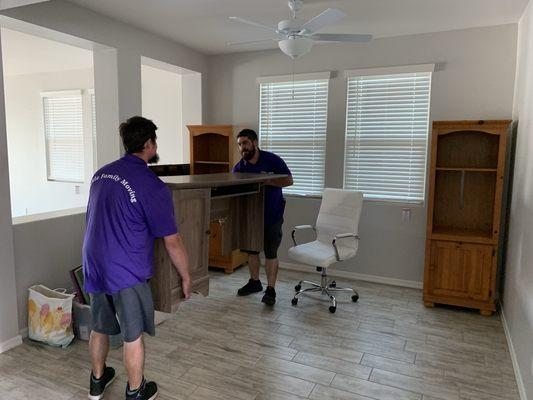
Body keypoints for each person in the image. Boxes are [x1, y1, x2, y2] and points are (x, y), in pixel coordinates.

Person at [82, 116, 191, 400]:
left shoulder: (101, 174)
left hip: (94, 264)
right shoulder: (151, 184)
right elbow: (172, 240)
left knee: (99, 326)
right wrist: (187, 276)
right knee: (133, 335)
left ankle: (97, 381)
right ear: (148, 144)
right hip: (125, 270)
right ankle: (135, 391)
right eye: (155, 141)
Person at [232, 129, 293, 306]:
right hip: (251, 217)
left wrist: (267, 181)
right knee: (251, 251)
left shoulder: (272, 160)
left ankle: (271, 290)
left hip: (272, 214)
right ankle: (254, 282)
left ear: (254, 143)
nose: (242, 148)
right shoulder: (239, 167)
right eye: (239, 144)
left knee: (271, 252)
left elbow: (289, 181)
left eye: (245, 143)